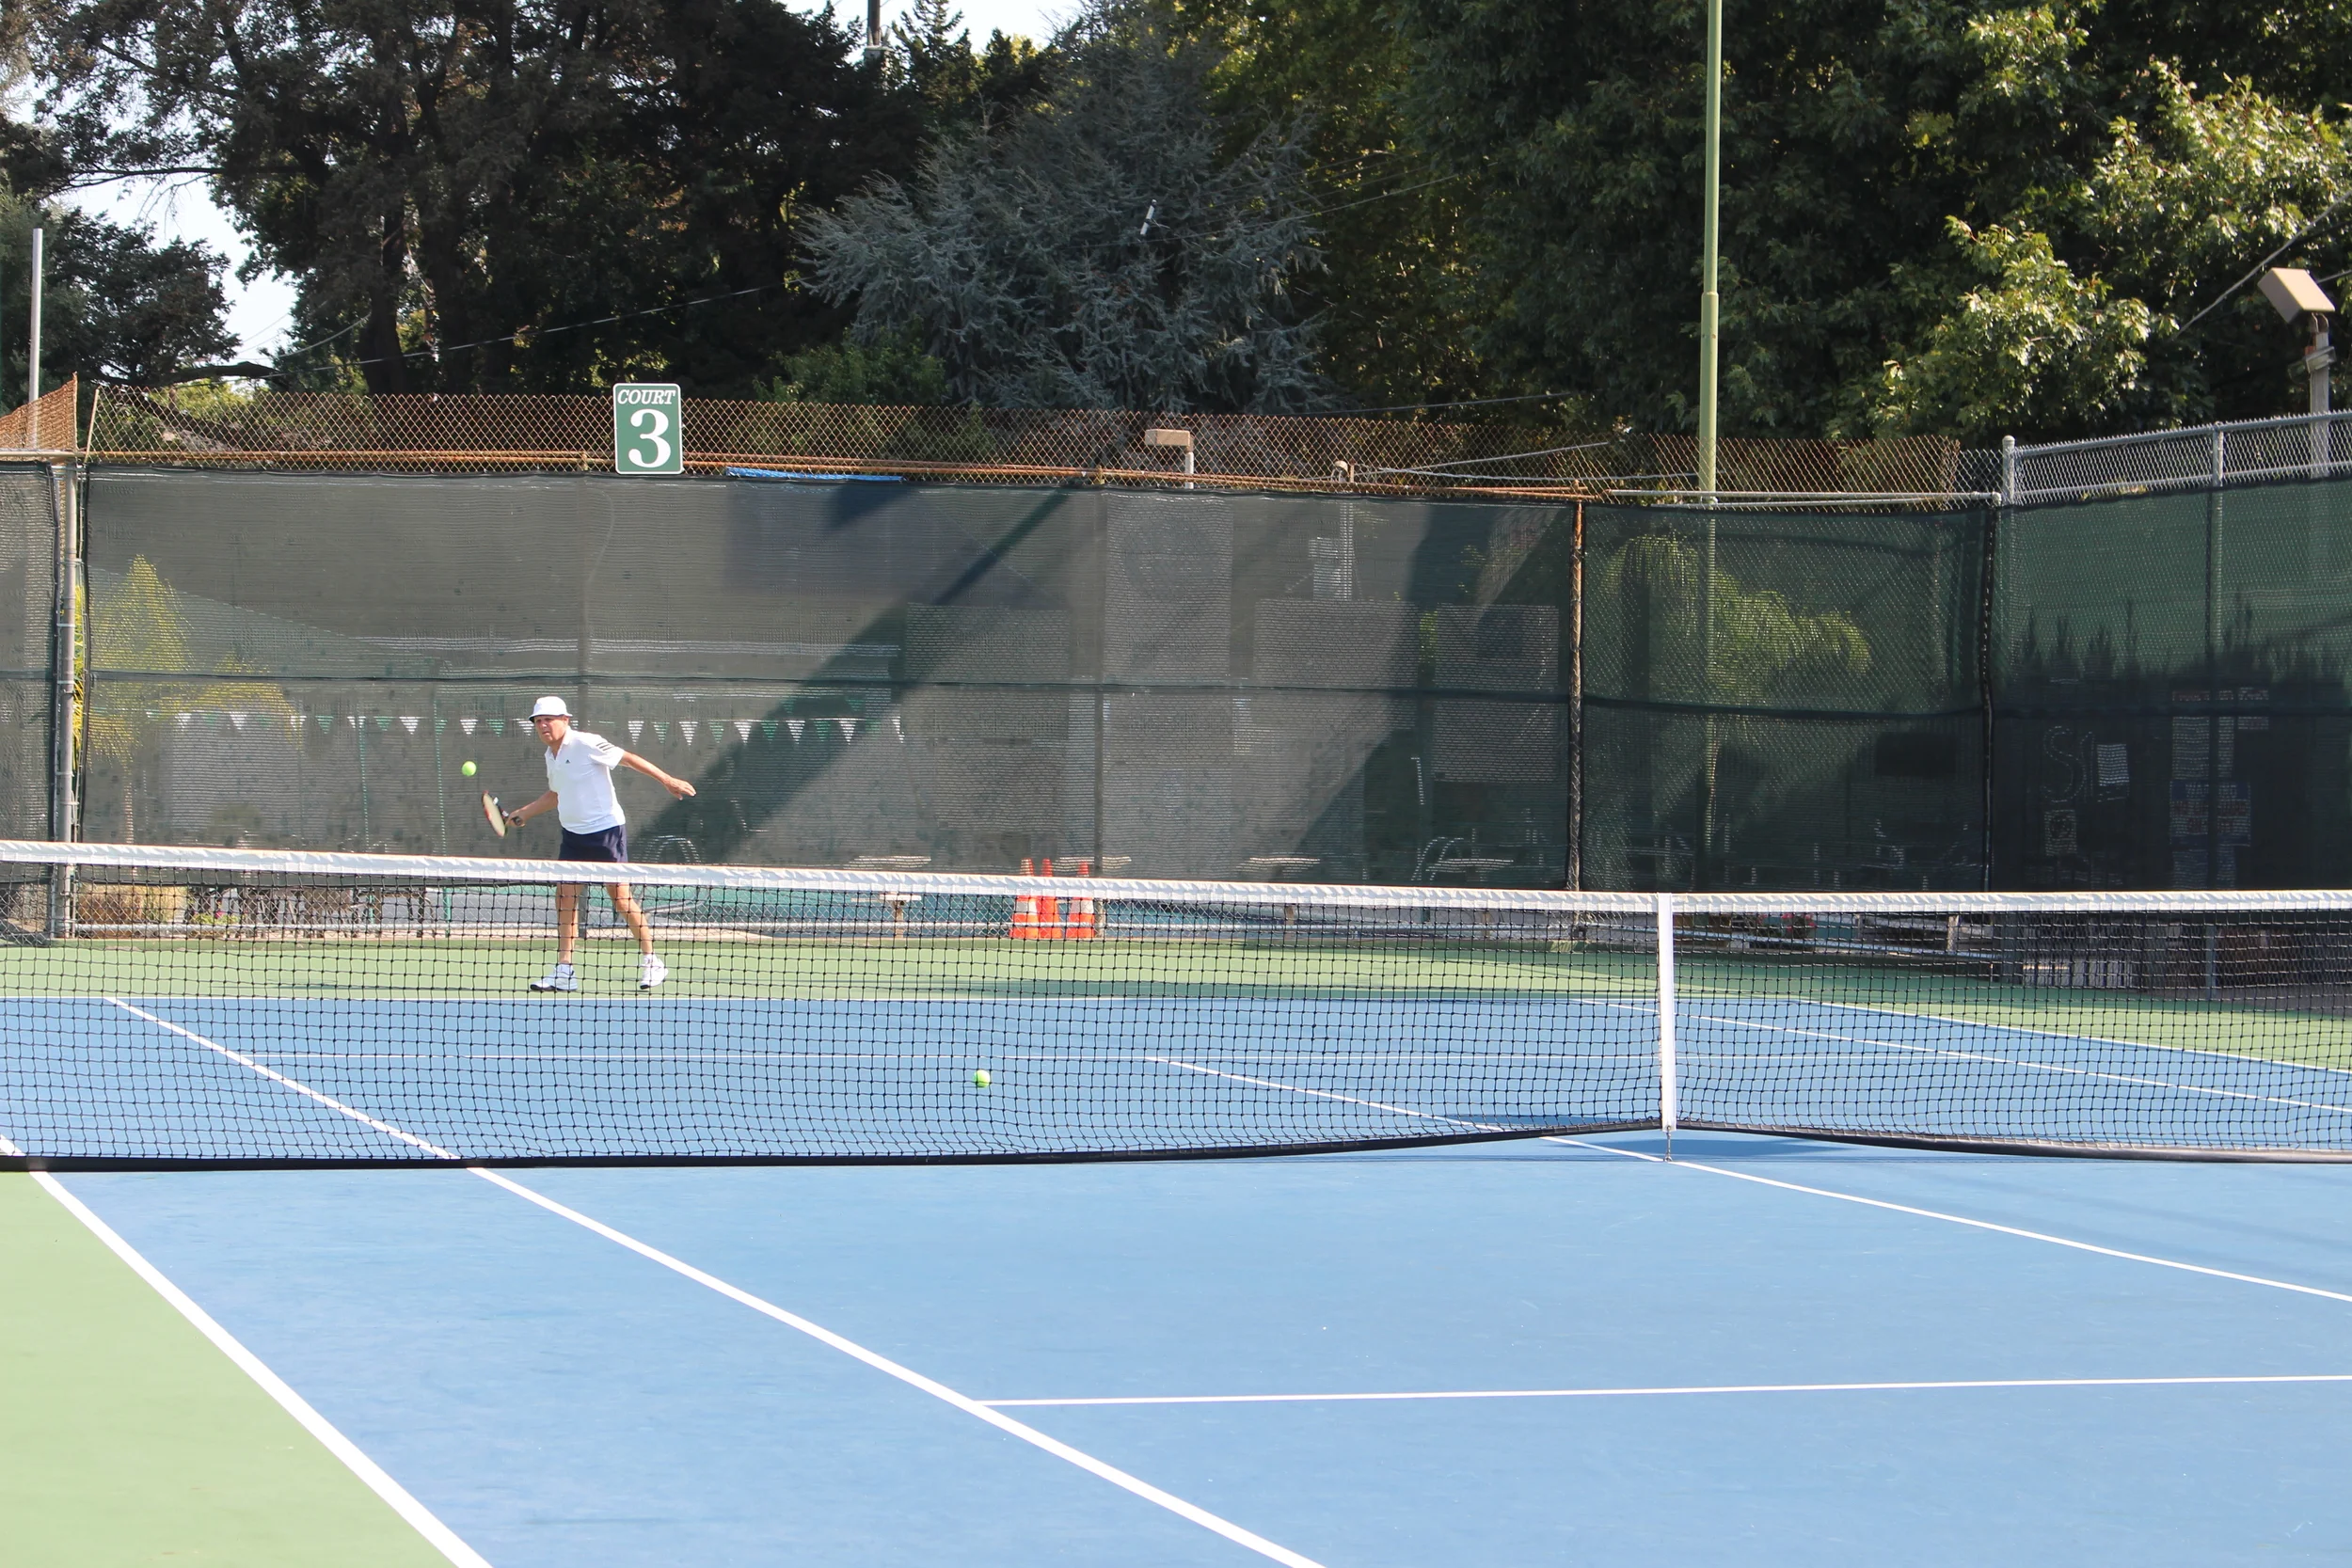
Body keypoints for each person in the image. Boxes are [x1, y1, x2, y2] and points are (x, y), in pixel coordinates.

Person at [501, 695, 696, 991]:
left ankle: (652, 961)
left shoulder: (587, 743)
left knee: (621, 899)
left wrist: (667, 780)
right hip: (573, 836)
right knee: (565, 897)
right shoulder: (550, 755)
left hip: (606, 831)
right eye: (538, 721)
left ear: (565, 720)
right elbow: (556, 794)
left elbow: (628, 758)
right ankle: (565, 970)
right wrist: (525, 812)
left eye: (548, 719)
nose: (543, 725)